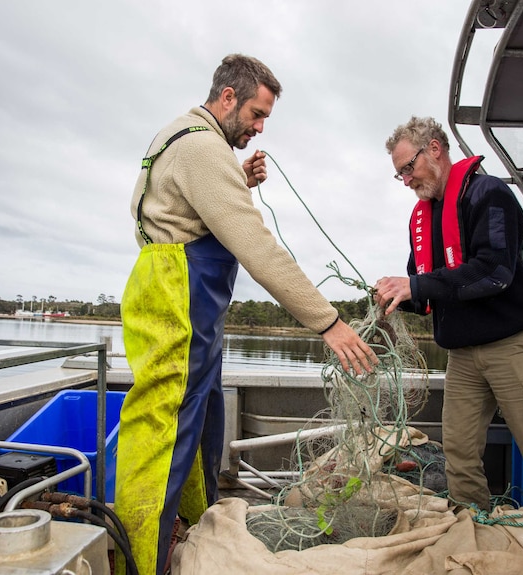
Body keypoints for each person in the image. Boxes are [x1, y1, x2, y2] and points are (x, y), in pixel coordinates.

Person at [115, 54, 378, 575]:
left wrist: (240, 181)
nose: (259, 129)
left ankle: (187, 532)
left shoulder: (186, 137)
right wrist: (328, 321)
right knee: (163, 434)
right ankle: (141, 561)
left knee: (202, 423)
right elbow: (257, 247)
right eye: (257, 115)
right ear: (228, 97)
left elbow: (187, 206)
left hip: (182, 302)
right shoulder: (202, 146)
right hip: (178, 300)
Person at [372, 116, 523, 526]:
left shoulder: (489, 195)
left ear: (436, 150)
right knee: (459, 456)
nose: (405, 180)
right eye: (399, 174)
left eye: (408, 168)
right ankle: (476, 536)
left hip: (511, 345)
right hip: (462, 356)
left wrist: (415, 286)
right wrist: (395, 296)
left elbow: (494, 271)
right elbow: (426, 292)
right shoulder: (422, 219)